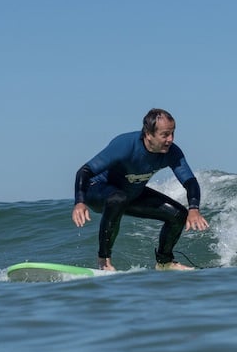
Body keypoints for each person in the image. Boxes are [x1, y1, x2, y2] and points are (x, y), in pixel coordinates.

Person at [72, 108, 209, 271]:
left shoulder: (172, 152)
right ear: (148, 134)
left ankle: (164, 262)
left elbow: (190, 181)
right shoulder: (125, 145)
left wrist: (194, 208)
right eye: (165, 135)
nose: (170, 139)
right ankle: (104, 261)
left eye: (172, 133)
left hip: (130, 194)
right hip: (97, 190)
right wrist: (80, 202)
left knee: (178, 215)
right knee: (118, 198)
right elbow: (84, 171)